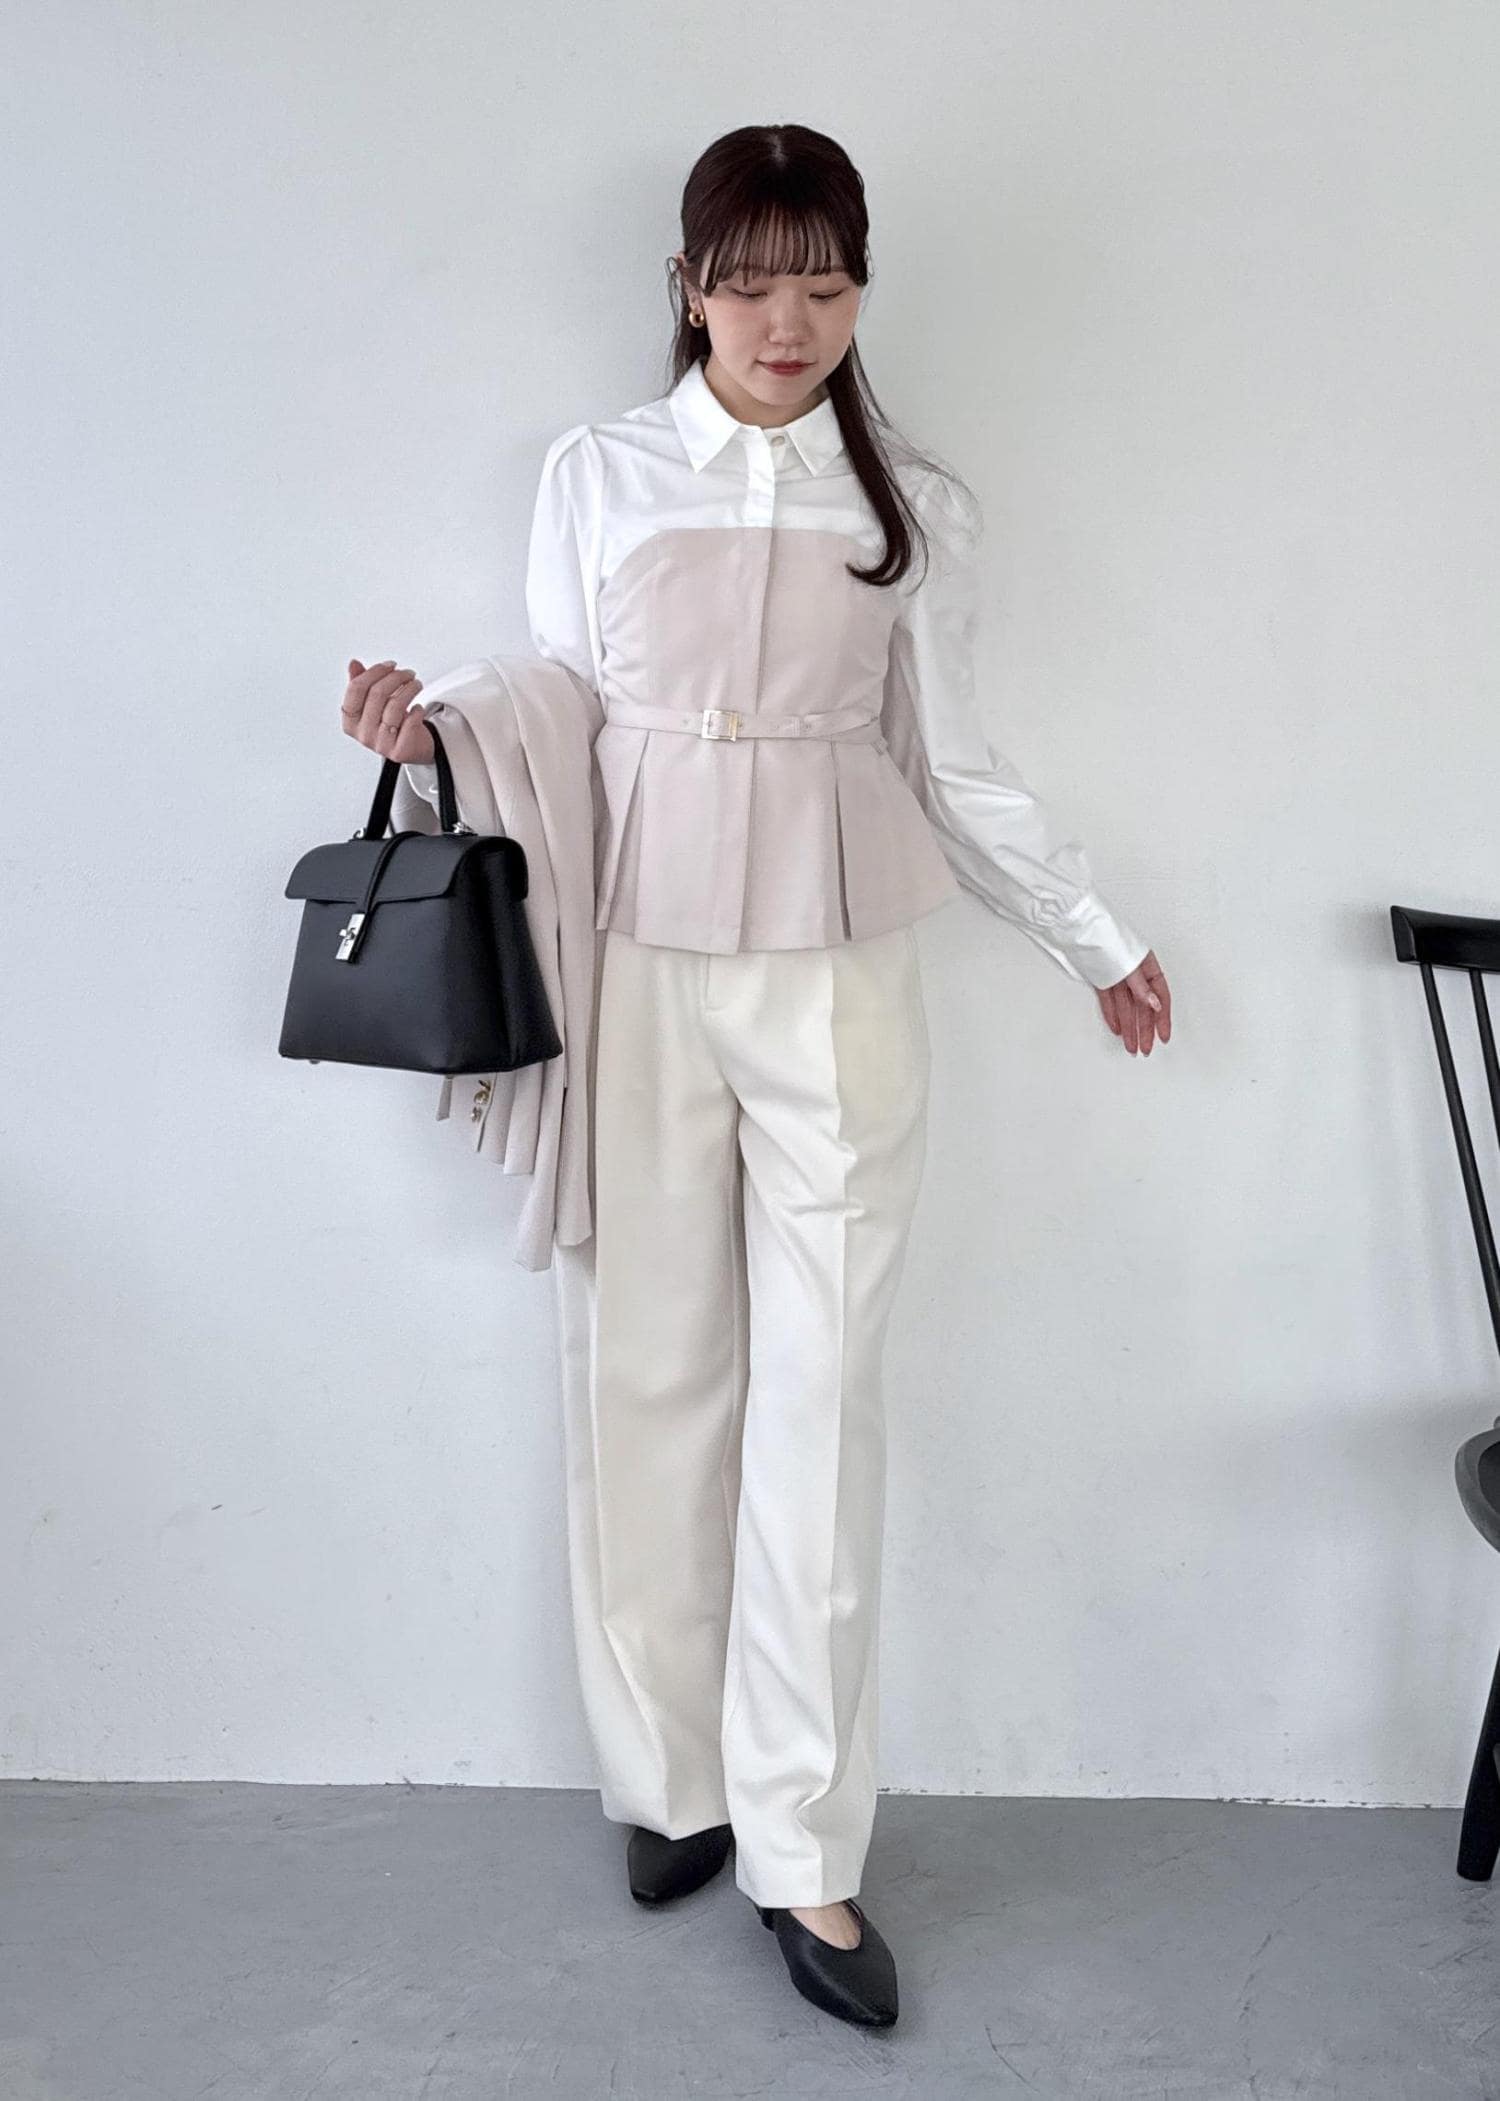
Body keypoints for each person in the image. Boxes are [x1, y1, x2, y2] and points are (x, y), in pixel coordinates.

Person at [340, 122, 1172, 2031]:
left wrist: (1094, 933)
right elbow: (557, 705)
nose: (787, 320)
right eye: (751, 281)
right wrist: (433, 734)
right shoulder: (600, 471)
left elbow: (952, 760)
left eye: (824, 282)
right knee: (647, 1369)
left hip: (843, 971)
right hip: (637, 961)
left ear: (861, 290)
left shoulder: (910, 502)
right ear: (690, 286)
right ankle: (671, 1781)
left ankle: (804, 1845)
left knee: (822, 1400)